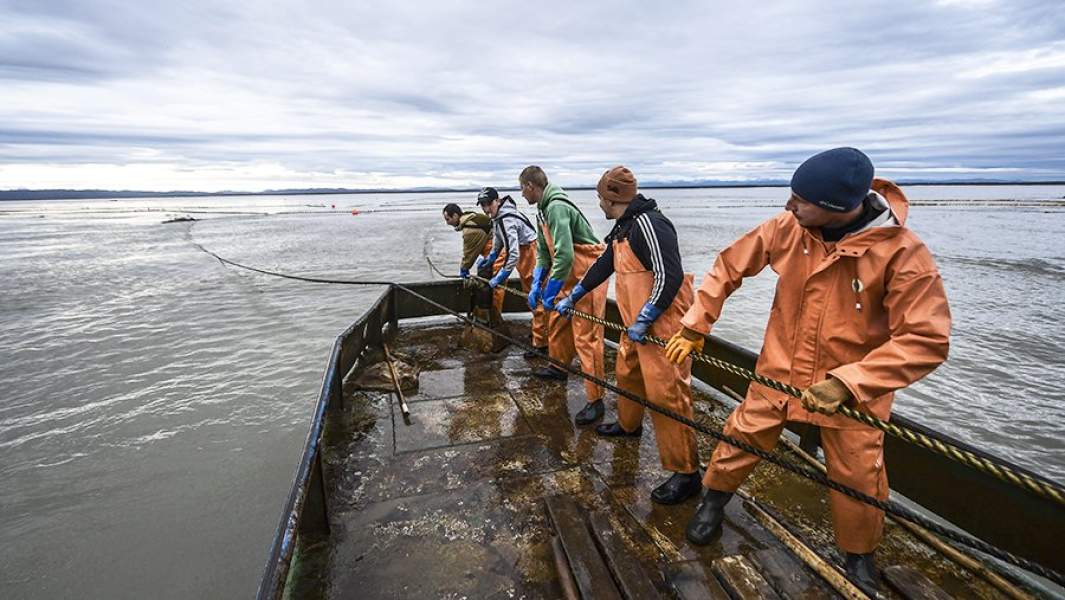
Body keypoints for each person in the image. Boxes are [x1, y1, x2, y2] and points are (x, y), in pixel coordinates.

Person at [664, 147, 951, 595]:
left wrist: (849, 383)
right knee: (740, 436)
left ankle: (858, 556)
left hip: (853, 393)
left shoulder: (904, 255)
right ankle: (713, 501)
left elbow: (926, 339)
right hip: (777, 370)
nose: (787, 206)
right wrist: (696, 325)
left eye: (799, 200)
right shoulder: (788, 228)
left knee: (859, 474)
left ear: (837, 208)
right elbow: (727, 267)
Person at [556, 166, 701, 504]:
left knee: (668, 397)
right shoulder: (624, 228)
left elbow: (670, 274)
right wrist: (575, 294)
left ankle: (687, 473)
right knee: (627, 374)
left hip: (662, 330)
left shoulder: (651, 224)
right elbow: (603, 265)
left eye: (601, 199)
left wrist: (648, 316)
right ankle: (628, 425)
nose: (599, 205)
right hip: (633, 327)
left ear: (613, 198)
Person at [520, 165, 607, 425]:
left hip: (587, 274)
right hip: (567, 274)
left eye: (522, 189)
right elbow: (546, 253)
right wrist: (537, 282)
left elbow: (567, 254)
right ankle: (558, 367)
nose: (522, 195)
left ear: (530, 186)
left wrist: (550, 289)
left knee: (587, 339)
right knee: (557, 323)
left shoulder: (556, 207)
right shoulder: (542, 210)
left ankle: (596, 400)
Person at [475, 187, 549, 358]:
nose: (486, 209)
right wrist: (492, 257)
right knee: (530, 295)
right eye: (482, 205)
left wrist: (501, 275)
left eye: (488, 204)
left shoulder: (506, 219)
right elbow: (499, 241)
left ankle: (541, 344)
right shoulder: (499, 216)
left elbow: (514, 253)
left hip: (529, 252)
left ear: (497, 201)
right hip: (526, 252)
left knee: (535, 297)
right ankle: (542, 333)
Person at [442, 202, 492, 279]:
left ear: (455, 216)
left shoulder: (469, 230)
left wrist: (464, 268)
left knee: (486, 275)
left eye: (448, 219)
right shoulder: (470, 218)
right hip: (494, 250)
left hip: (497, 251)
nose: (447, 223)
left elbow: (469, 253)